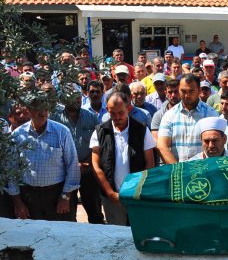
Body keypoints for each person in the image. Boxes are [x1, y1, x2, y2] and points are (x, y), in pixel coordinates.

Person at [7, 93, 80, 220]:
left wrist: (65, 197)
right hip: (29, 198)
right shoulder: (18, 135)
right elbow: (12, 170)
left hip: (57, 195)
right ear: (28, 111)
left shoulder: (62, 132)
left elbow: (73, 166)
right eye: (37, 109)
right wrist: (18, 202)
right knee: (34, 237)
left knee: (63, 236)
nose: (42, 113)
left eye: (45, 109)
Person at [90, 92, 155, 225]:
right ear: (107, 110)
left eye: (120, 112)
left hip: (137, 196)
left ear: (128, 108)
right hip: (111, 198)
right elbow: (96, 166)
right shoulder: (100, 131)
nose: (117, 117)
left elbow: (150, 163)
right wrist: (110, 193)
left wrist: (137, 191)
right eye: (112, 113)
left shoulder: (142, 130)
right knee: (116, 236)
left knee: (137, 231)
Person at [51, 87, 104, 224]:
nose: (76, 100)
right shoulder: (55, 118)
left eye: (78, 97)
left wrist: (89, 163)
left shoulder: (91, 117)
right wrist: (74, 165)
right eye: (72, 97)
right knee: (68, 212)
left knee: (95, 210)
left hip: (88, 171)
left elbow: (99, 142)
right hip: (64, 173)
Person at [157, 74, 219, 163]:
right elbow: (162, 145)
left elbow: (217, 146)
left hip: (204, 170)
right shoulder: (169, 115)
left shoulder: (211, 114)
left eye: (191, 91)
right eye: (183, 91)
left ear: (199, 91)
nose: (186, 95)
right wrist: (179, 169)